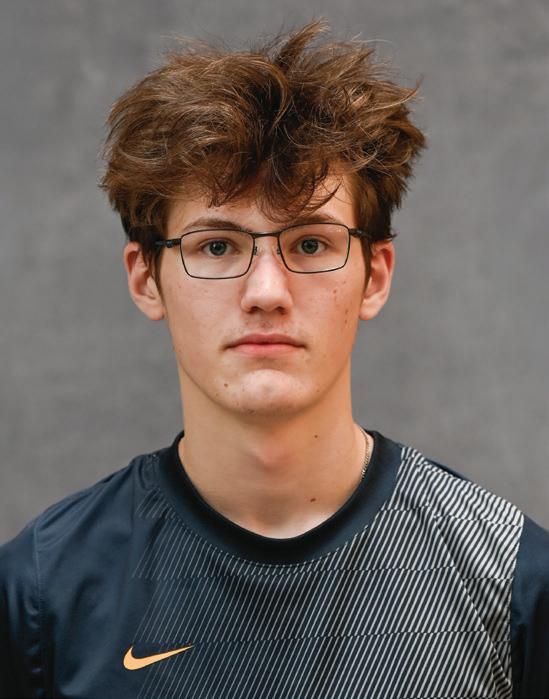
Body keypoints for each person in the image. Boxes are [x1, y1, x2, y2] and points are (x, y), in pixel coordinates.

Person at [1, 19, 547, 699]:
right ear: (146, 279)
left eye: (311, 244)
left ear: (375, 276)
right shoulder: (39, 594)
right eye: (217, 246)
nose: (266, 292)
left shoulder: (512, 581)